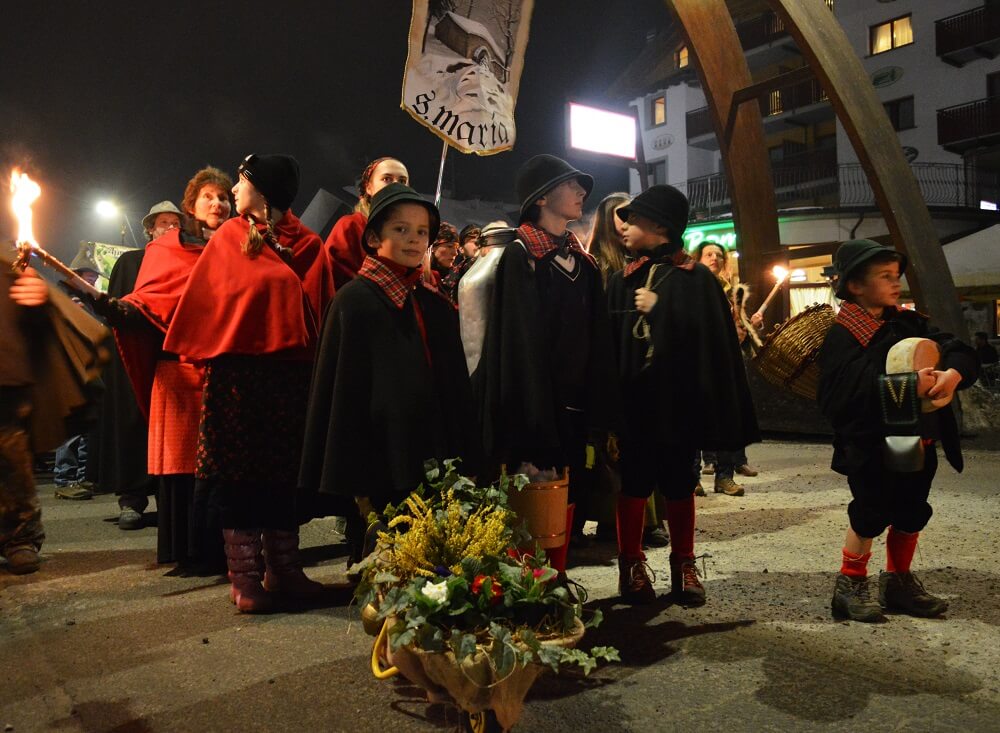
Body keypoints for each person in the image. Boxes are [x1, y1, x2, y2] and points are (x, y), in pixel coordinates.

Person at [163, 154, 334, 613]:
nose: (234, 190)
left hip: (290, 377)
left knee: (283, 475)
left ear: (265, 189)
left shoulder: (310, 245)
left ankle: (285, 569)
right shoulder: (230, 240)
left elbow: (318, 309)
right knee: (237, 478)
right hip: (237, 379)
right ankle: (244, 577)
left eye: (241, 181)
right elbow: (214, 302)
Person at [300, 184, 480, 561]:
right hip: (377, 459)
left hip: (427, 452)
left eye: (421, 232)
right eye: (400, 230)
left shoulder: (431, 301)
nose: (414, 240)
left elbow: (451, 384)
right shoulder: (355, 301)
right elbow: (343, 392)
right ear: (372, 237)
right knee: (379, 558)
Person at [461, 154, 621, 578]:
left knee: (565, 492)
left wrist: (599, 403)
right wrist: (535, 409)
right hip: (535, 405)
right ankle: (530, 581)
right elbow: (519, 343)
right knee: (532, 491)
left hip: (574, 404)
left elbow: (596, 337)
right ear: (543, 198)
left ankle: (558, 574)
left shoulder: (582, 263)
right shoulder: (522, 257)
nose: (581, 193)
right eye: (571, 185)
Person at [606, 185, 759, 605]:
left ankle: (684, 562)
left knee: (679, 482)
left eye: (633, 220)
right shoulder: (622, 279)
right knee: (634, 483)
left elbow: (710, 341)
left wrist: (663, 309)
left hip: (679, 403)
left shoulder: (696, 280)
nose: (623, 227)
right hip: (636, 404)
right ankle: (631, 563)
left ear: (657, 226)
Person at [818, 239, 978, 623]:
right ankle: (851, 583)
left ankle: (898, 582)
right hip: (871, 441)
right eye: (884, 276)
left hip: (912, 436)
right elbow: (843, 394)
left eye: (896, 275)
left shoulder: (907, 321)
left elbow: (956, 348)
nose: (895, 283)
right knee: (871, 509)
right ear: (855, 286)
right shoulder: (843, 335)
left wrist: (953, 373)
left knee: (911, 507)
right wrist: (910, 385)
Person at [90, 169, 233, 571]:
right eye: (208, 196)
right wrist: (117, 308)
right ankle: (184, 550)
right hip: (175, 371)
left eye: (224, 196)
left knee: (219, 466)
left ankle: (220, 550)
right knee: (179, 466)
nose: (218, 203)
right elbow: (149, 298)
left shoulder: (239, 246)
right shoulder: (166, 249)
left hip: (220, 371)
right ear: (191, 205)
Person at [2, 261, 108, 574]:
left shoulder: (6, 261)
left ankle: (19, 537)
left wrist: (38, 299)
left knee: (11, 461)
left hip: (6, 378)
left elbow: (41, 317)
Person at [101, 200, 183, 532]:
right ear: (150, 228)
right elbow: (118, 311)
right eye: (164, 223)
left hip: (168, 357)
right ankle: (132, 499)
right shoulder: (130, 262)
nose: (170, 229)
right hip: (135, 356)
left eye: (176, 223)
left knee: (168, 433)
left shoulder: (184, 262)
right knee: (133, 426)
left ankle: (168, 497)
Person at [692, 241, 760, 497]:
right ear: (697, 258)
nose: (714, 258)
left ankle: (725, 477)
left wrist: (749, 326)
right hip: (698, 357)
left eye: (719, 255)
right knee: (696, 418)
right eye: (708, 254)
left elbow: (740, 325)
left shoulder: (732, 291)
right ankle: (692, 477)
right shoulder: (690, 285)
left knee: (727, 416)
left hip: (725, 359)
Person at [326, 157, 409, 289]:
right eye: (387, 179)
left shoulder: (409, 235)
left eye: (402, 181)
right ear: (369, 187)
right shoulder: (351, 226)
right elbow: (334, 280)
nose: (396, 185)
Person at [440, 223, 480, 304]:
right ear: (461, 249)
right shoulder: (454, 273)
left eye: (480, 240)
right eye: (472, 240)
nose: (478, 243)